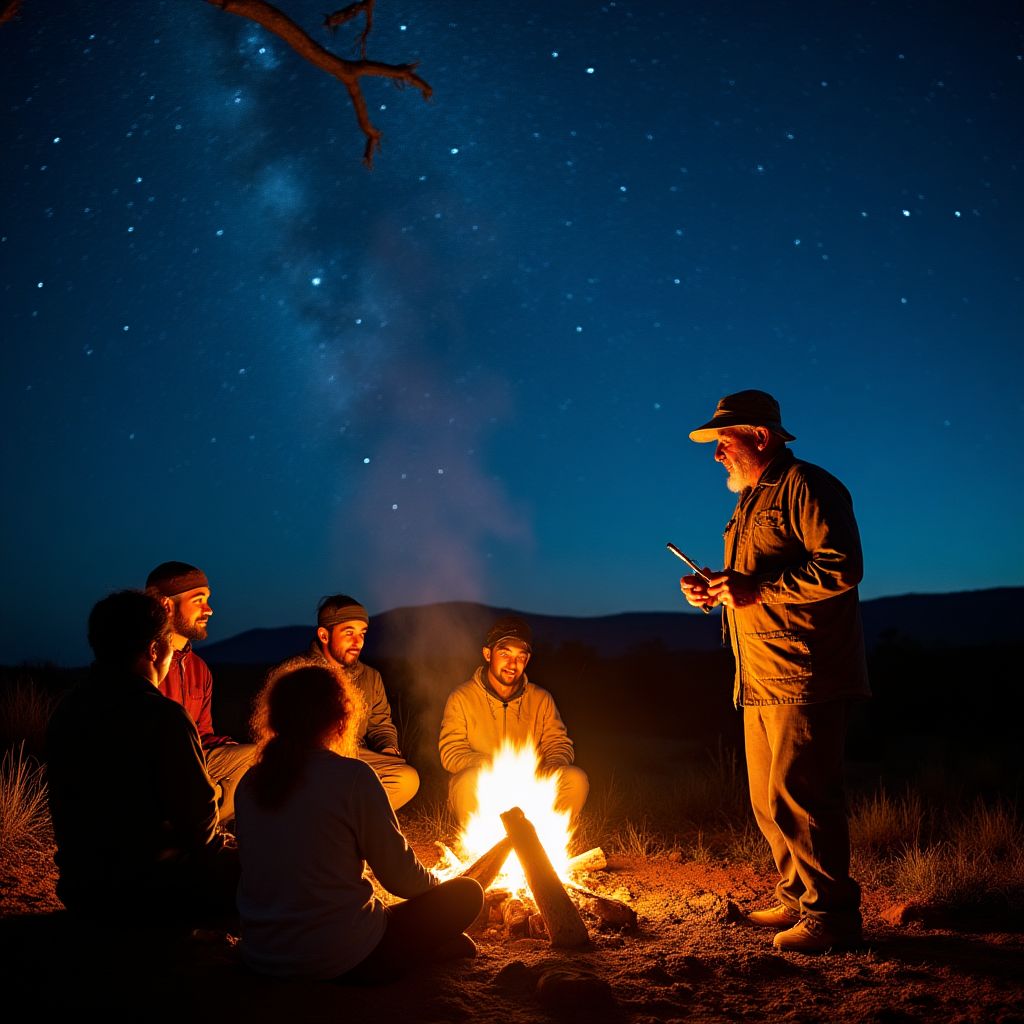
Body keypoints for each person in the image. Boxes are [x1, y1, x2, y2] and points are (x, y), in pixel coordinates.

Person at [679, 389, 870, 954]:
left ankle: (832, 918)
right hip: (759, 672)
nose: (717, 454)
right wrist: (716, 587)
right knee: (769, 799)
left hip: (803, 670)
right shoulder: (750, 501)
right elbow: (754, 582)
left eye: (724, 441)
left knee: (803, 795)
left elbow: (842, 566)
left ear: (760, 436)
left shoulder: (808, 487)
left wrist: (756, 587)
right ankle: (797, 895)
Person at [234, 662, 483, 982]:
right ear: (341, 719)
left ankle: (424, 948)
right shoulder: (352, 777)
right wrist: (442, 885)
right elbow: (402, 879)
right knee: (468, 894)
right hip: (343, 957)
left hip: (263, 956)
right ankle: (418, 953)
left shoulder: (250, 782)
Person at [46, 590, 239, 921]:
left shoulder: (68, 709)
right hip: (153, 892)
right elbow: (200, 829)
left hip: (82, 889)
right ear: (154, 649)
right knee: (273, 868)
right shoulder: (164, 717)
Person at [439, 615, 588, 825]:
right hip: (484, 786)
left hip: (530, 787)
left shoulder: (541, 699)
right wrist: (495, 766)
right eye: (505, 654)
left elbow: (559, 744)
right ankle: (479, 849)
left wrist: (547, 770)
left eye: (521, 657)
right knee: (467, 782)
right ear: (488, 654)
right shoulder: (462, 697)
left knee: (575, 779)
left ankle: (545, 841)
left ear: (527, 660)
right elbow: (451, 752)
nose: (513, 664)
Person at [146, 561, 257, 824]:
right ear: (166, 605)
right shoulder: (142, 661)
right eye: (198, 600)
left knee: (258, 756)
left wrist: (230, 748)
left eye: (207, 600)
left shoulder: (199, 669)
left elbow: (203, 733)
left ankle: (208, 825)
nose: (209, 610)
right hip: (156, 766)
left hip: (196, 762)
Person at [302, 594, 419, 811]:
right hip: (310, 760)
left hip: (356, 758)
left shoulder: (370, 677)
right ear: (324, 635)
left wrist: (388, 748)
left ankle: (344, 823)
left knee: (406, 778)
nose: (358, 642)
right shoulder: (298, 673)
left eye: (362, 634)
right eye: (349, 633)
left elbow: (381, 724)